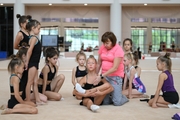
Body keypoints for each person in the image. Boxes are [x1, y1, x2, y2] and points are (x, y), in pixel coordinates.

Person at [95, 31, 129, 106]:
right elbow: (99, 63)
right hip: (105, 77)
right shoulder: (102, 48)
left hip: (115, 77)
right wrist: (96, 75)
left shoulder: (118, 49)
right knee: (105, 102)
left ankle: (122, 97)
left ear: (112, 42)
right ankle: (113, 95)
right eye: (104, 43)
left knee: (117, 102)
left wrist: (101, 75)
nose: (105, 45)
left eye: (107, 43)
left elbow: (115, 68)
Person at [25, 18, 44, 105]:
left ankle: (38, 100)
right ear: (33, 28)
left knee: (35, 82)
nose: (39, 30)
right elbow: (29, 51)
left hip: (35, 63)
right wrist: (27, 62)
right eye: (38, 28)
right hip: (32, 63)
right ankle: (28, 101)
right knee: (30, 82)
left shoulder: (35, 38)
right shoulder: (33, 38)